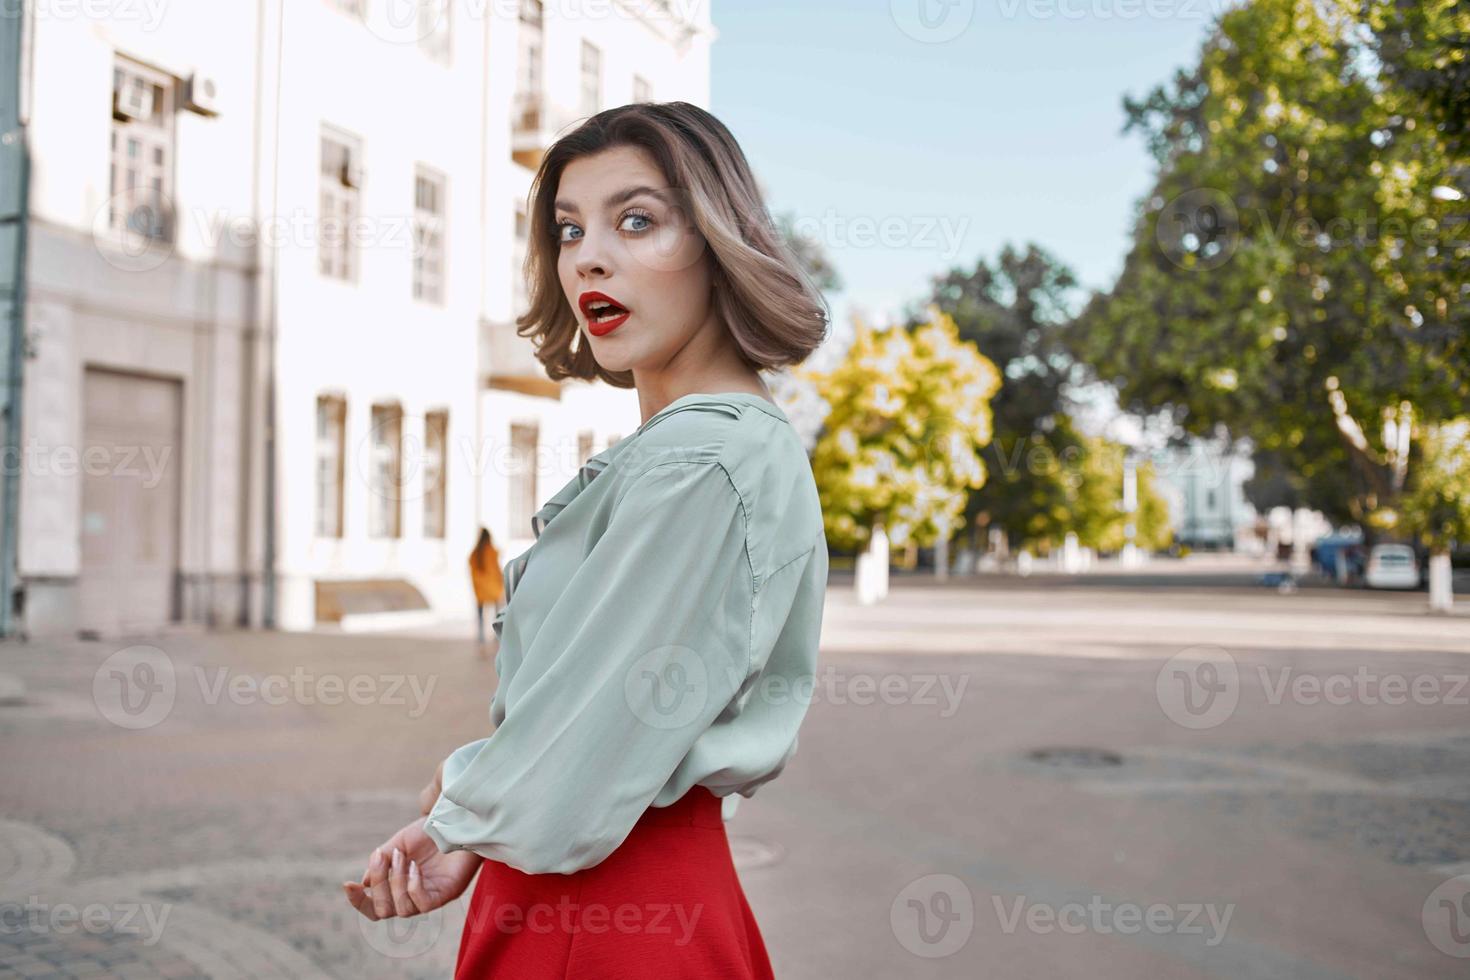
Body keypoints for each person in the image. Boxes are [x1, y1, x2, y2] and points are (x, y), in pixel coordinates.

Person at [341, 101, 831, 978]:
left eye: (636, 220)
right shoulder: (702, 449)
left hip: (603, 911)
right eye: (568, 230)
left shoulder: (706, 460)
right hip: (596, 888)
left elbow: (594, 735)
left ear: (720, 241)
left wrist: (462, 803)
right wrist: (478, 827)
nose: (589, 257)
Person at [467, 527, 505, 645]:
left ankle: (481, 636)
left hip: (480, 588)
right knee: (496, 613)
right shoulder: (492, 551)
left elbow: (472, 568)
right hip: (493, 587)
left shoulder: (475, 552)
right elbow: (497, 568)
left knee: (480, 614)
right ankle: (496, 635)